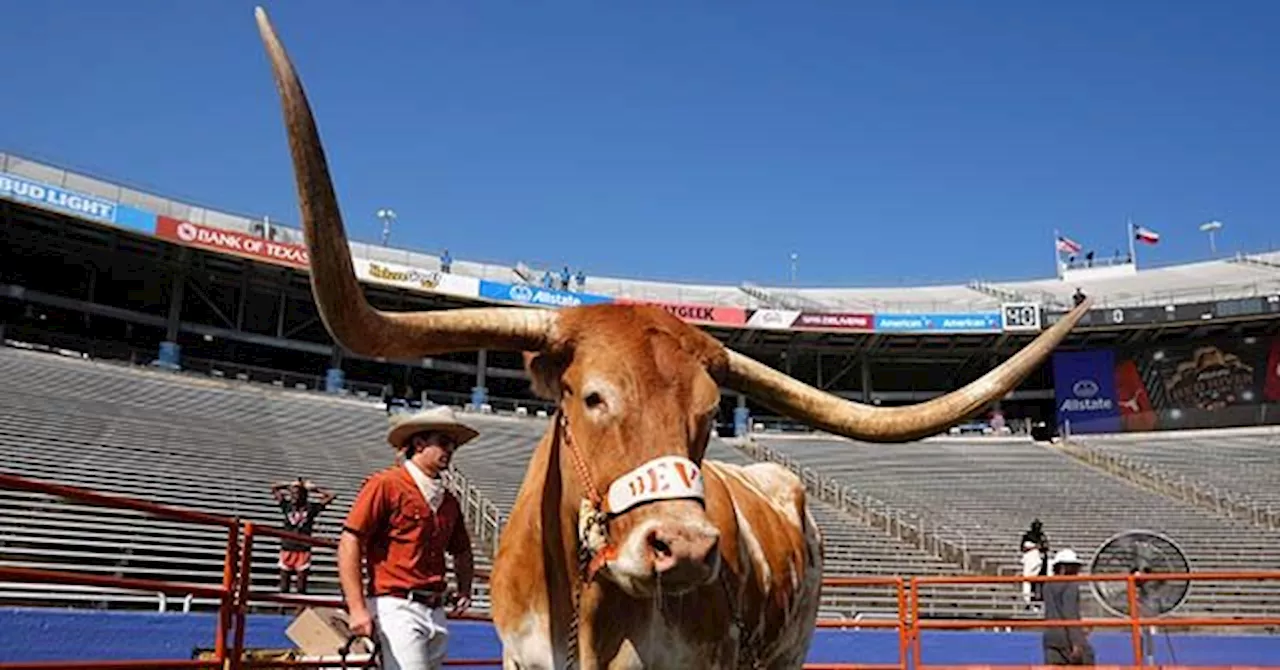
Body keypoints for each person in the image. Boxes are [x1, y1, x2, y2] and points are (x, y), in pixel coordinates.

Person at [338, 406, 477, 670]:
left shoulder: (448, 500)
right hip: (396, 605)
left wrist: (465, 588)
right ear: (419, 443)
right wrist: (356, 608)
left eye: (453, 445)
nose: (449, 450)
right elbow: (350, 540)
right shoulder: (386, 485)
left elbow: (462, 550)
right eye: (443, 442)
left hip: (434, 608)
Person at [271, 478, 336, 594]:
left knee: (301, 588)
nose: (294, 497)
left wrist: (315, 489)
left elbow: (331, 496)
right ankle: (282, 611)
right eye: (292, 494)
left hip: (303, 550)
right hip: (287, 549)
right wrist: (289, 484)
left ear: (304, 495)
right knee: (283, 588)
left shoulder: (311, 508)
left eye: (297, 494)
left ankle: (299, 611)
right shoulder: (287, 506)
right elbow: (274, 488)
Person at [1042, 548, 1095, 665]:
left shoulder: (1047, 584)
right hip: (1066, 638)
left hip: (1050, 637)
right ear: (1064, 568)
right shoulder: (1071, 584)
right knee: (1087, 658)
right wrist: (1076, 642)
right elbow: (1070, 613)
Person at [1020, 519, 1050, 605]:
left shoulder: (1042, 536)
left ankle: (1040, 598)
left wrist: (1040, 547)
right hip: (1031, 560)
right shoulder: (1027, 536)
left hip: (1041, 560)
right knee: (1030, 580)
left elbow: (1046, 547)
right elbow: (1022, 548)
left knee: (1040, 580)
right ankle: (1029, 599)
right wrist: (1034, 547)